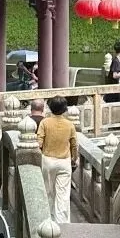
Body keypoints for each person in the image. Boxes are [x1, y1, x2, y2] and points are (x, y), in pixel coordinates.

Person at [37, 96, 78, 226]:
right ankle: (63, 223)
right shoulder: (69, 125)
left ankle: (49, 222)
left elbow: (39, 143)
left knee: (48, 192)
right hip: (64, 161)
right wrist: (74, 158)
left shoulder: (45, 123)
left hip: (48, 160)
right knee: (63, 194)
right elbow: (74, 145)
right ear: (65, 109)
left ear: (50, 108)